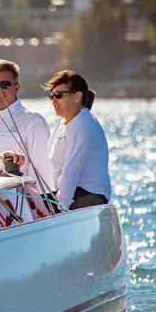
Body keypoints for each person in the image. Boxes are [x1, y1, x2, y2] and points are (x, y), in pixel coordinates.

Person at [0, 59, 53, 192]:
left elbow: (45, 177)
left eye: (5, 84)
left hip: (14, 207)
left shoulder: (34, 121)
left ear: (16, 88)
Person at [43, 70, 111, 210]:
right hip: (70, 192)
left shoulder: (83, 124)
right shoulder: (59, 123)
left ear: (77, 96)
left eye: (59, 95)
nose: (54, 100)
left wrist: (62, 205)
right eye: (52, 95)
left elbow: (72, 168)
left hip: (90, 194)